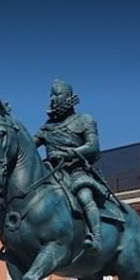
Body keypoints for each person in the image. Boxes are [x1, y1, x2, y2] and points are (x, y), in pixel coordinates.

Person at [33, 79, 113, 253]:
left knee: (84, 196)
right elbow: (30, 147)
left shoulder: (85, 120)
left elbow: (93, 146)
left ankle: (96, 237)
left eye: (57, 94)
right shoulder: (46, 128)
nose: (53, 99)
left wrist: (68, 153)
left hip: (76, 171)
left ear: (69, 96)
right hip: (52, 174)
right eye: (51, 95)